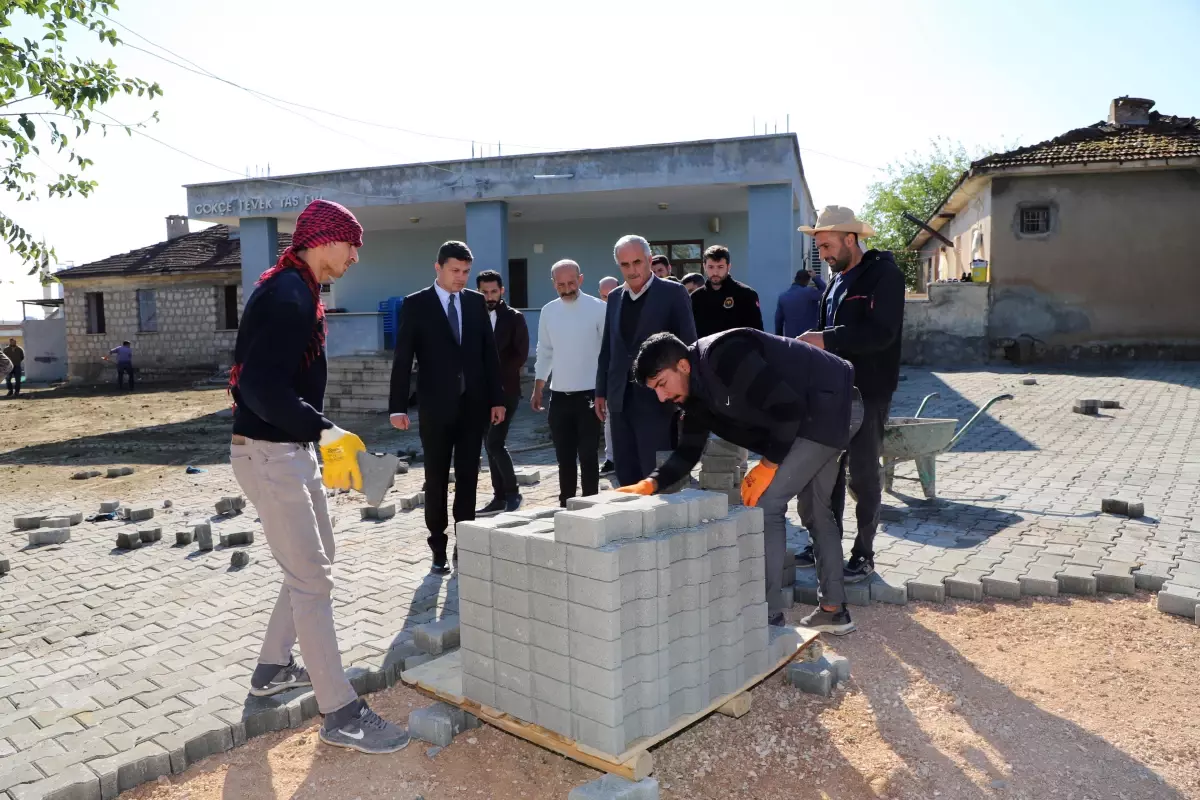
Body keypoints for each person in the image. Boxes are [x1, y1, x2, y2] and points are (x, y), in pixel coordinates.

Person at [228, 199, 409, 754]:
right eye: (351, 244)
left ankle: (273, 668)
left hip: (286, 448)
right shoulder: (287, 294)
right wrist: (326, 429)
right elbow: (256, 386)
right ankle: (342, 712)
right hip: (269, 453)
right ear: (324, 239)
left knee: (313, 561)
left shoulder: (297, 288)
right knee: (312, 579)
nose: (356, 256)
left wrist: (318, 433)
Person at [619, 329, 860, 634]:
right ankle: (833, 610)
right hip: (823, 412)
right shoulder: (694, 394)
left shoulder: (725, 355)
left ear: (682, 365)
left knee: (765, 503)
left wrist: (769, 465)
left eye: (662, 384)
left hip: (829, 407)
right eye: (655, 390)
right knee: (815, 509)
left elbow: (788, 409)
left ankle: (766, 615)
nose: (662, 396)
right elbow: (689, 450)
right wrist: (650, 484)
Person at [797, 206, 904, 583]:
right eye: (819, 248)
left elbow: (882, 334)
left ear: (850, 239)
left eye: (827, 246)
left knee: (862, 474)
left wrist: (826, 338)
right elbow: (828, 342)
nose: (823, 255)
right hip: (834, 393)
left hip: (871, 391)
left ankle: (864, 552)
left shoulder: (884, 275)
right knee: (828, 474)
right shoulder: (833, 283)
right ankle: (825, 544)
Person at [389, 241, 505, 575]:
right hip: (435, 408)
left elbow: (488, 355)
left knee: (469, 476)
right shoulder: (416, 304)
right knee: (436, 477)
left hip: (474, 406)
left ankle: (464, 544)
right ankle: (437, 546)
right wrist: (398, 407)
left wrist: (496, 398)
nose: (461, 277)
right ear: (437, 267)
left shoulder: (475, 302)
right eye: (455, 271)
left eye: (466, 271)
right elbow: (403, 359)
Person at [596, 235, 697, 486]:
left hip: (657, 400)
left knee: (656, 476)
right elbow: (608, 347)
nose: (632, 270)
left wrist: (690, 397)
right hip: (620, 401)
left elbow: (688, 347)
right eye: (625, 265)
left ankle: (660, 525)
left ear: (650, 260)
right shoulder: (616, 298)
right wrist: (601, 391)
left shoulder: (673, 293)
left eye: (637, 262)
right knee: (626, 475)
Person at [532, 261, 607, 506]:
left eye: (571, 283)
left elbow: (608, 352)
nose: (567, 289)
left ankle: (591, 506)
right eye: (561, 284)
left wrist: (604, 392)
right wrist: (538, 386)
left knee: (587, 456)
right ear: (553, 283)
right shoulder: (548, 311)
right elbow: (545, 350)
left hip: (590, 395)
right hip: (559, 396)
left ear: (581, 279)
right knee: (564, 457)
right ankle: (566, 505)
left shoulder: (598, 309)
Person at [475, 269, 529, 516]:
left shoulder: (515, 318)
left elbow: (520, 355)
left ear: (502, 290)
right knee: (489, 444)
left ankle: (513, 492)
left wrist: (493, 372)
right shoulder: (473, 316)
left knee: (495, 442)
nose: (489, 296)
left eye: (493, 291)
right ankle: (498, 497)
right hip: (480, 393)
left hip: (506, 391)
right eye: (484, 292)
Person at [690, 245, 764, 337]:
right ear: (704, 266)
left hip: (738, 350)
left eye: (720, 267)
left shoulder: (746, 295)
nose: (715, 272)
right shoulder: (695, 298)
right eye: (711, 267)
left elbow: (757, 334)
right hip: (705, 350)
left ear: (728, 267)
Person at [596, 275, 621, 476]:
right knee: (609, 419)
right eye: (603, 296)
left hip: (625, 373)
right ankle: (611, 458)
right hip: (606, 374)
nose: (606, 300)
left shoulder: (623, 308)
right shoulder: (594, 312)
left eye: (609, 295)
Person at [775, 269, 823, 338]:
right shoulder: (809, 292)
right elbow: (825, 291)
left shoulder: (782, 297)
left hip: (791, 340)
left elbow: (778, 321)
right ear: (807, 281)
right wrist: (815, 278)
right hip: (810, 339)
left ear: (795, 279)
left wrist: (779, 339)